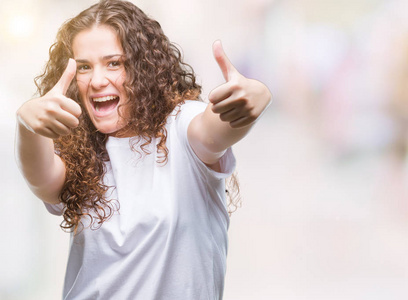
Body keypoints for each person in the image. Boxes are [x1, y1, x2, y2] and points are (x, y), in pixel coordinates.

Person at [15, 0, 271, 299]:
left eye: (114, 63)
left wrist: (254, 97)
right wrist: (27, 125)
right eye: (84, 67)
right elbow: (42, 181)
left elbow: (215, 130)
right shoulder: (81, 149)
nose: (97, 81)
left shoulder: (181, 126)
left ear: (142, 66)